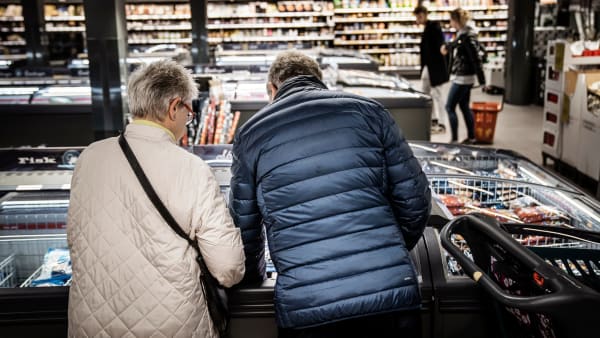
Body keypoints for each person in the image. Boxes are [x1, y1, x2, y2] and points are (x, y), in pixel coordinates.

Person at [229, 51, 431, 338]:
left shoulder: (251, 135)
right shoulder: (370, 112)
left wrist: (254, 278)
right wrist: (386, 250)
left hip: (307, 304)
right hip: (388, 296)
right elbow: (416, 202)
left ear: (272, 89)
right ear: (318, 81)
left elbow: (244, 228)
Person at [67, 60, 245, 338]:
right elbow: (227, 267)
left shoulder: (90, 157)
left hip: (91, 323)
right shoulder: (191, 168)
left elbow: (76, 240)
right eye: (190, 109)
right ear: (174, 107)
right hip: (172, 325)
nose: (190, 118)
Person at [441, 8, 486, 144]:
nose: (450, 23)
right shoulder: (464, 34)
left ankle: (454, 140)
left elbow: (475, 59)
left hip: (463, 78)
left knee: (449, 107)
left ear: (456, 20)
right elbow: (456, 44)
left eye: (451, 20)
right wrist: (448, 47)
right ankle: (471, 137)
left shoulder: (467, 36)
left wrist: (483, 81)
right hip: (465, 77)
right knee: (464, 106)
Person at [414, 5, 449, 134]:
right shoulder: (427, 28)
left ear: (425, 14)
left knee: (438, 95)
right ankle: (433, 119)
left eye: (420, 16)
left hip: (436, 69)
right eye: (417, 17)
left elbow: (441, 42)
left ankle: (442, 123)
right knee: (426, 94)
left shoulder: (434, 26)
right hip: (428, 68)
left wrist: (443, 47)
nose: (418, 19)